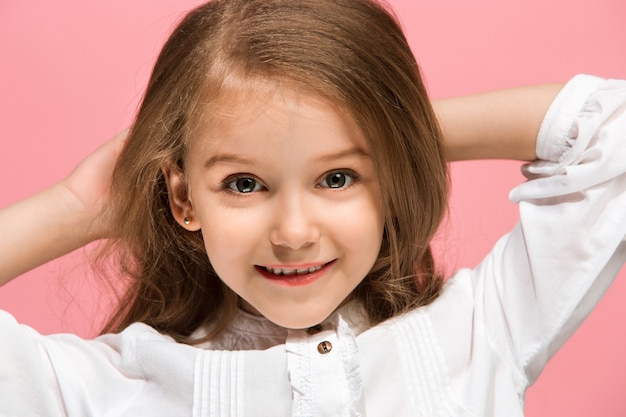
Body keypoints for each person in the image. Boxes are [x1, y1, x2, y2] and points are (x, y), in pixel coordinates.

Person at [1, 0, 624, 415]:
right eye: (244, 184)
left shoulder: (477, 333)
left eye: (337, 177)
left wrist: (394, 131)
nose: (295, 233)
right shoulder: (110, 390)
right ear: (186, 197)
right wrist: (75, 207)